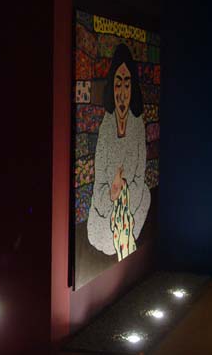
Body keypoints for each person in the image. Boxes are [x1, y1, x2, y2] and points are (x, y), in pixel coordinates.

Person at [88, 44, 151, 261]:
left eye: (127, 84)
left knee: (146, 194)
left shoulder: (137, 125)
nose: (122, 94)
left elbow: (140, 177)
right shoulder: (105, 128)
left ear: (132, 88)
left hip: (131, 205)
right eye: (118, 85)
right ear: (112, 88)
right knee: (103, 237)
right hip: (107, 211)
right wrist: (112, 194)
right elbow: (98, 186)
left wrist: (125, 195)